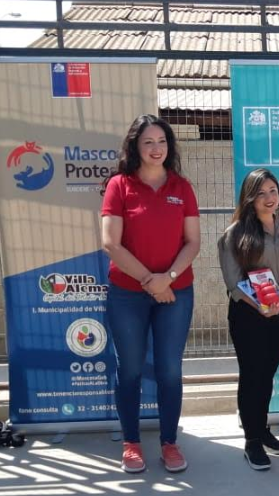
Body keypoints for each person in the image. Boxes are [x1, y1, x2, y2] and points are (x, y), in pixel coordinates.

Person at [101, 114, 200, 474]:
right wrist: (150, 281)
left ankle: (170, 443)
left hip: (176, 292)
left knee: (170, 372)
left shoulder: (182, 187)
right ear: (135, 147)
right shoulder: (119, 186)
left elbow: (193, 242)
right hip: (128, 294)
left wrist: (168, 278)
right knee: (128, 370)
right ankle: (130, 443)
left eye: (162, 141)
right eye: (148, 142)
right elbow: (111, 243)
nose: (156, 149)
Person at [218, 168, 279, 471]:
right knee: (252, 376)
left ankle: (262, 427)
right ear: (249, 198)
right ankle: (251, 441)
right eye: (261, 193)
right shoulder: (235, 235)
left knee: (267, 375)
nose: (269, 198)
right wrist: (260, 305)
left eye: (273, 191)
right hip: (249, 316)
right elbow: (233, 283)